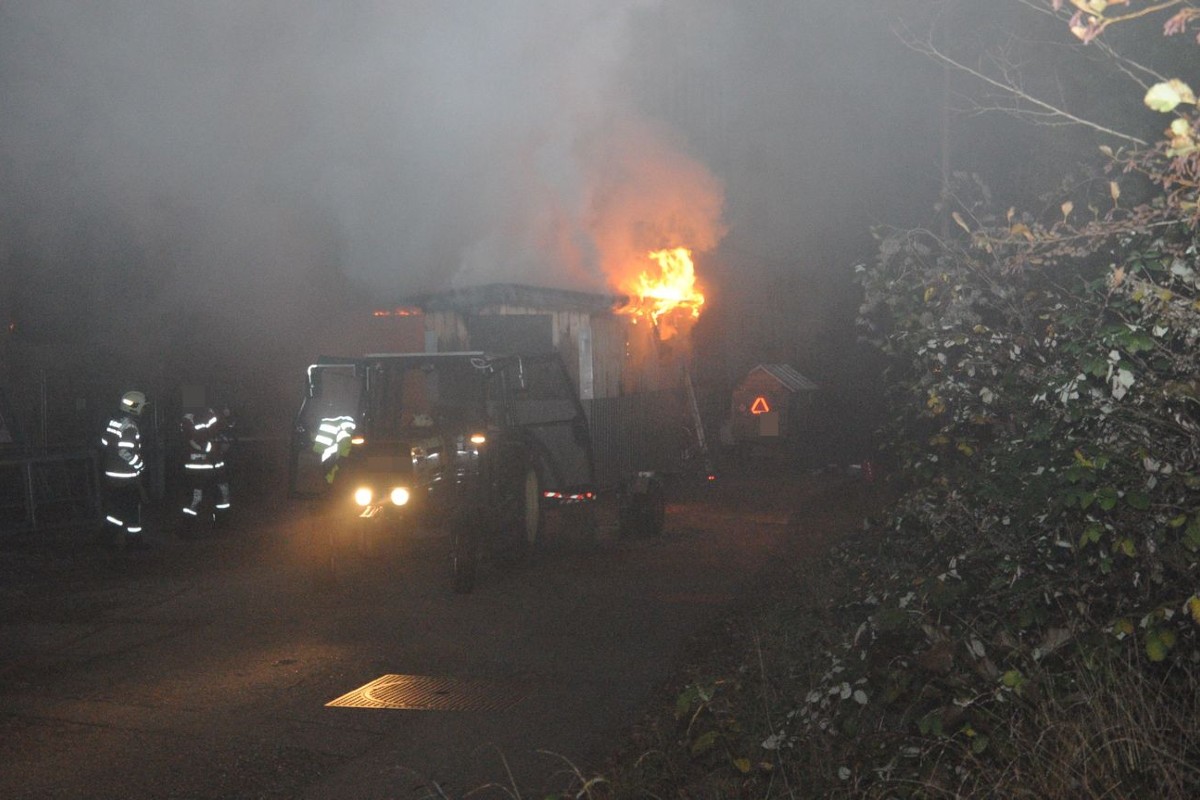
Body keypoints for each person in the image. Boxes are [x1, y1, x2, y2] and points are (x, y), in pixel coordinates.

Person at [100, 390, 149, 550]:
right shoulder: (129, 426)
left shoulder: (115, 421)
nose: (143, 410)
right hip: (125, 477)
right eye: (142, 407)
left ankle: (107, 538)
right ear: (135, 407)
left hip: (112, 475)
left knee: (116, 509)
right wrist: (139, 465)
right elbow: (124, 451)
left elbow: (105, 442)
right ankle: (134, 543)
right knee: (132, 511)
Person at [180, 407, 231, 524]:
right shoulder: (188, 419)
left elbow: (224, 429)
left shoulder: (213, 412)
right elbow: (191, 439)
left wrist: (224, 440)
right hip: (198, 467)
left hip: (216, 464)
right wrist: (209, 447)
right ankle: (188, 526)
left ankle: (222, 523)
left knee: (222, 493)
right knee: (195, 497)